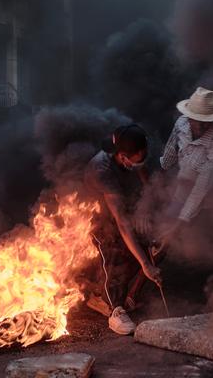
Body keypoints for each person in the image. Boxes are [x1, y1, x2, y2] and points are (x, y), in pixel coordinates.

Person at [84, 124, 162, 335]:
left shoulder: (134, 151)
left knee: (160, 240)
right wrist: (145, 264)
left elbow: (145, 180)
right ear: (122, 157)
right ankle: (114, 308)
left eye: (142, 159)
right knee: (113, 247)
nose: (140, 165)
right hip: (99, 217)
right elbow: (122, 223)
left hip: (127, 207)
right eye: (136, 162)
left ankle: (131, 296)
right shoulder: (102, 171)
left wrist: (145, 208)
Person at [156, 87, 213, 279]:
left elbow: (201, 189)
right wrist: (158, 180)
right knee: (164, 231)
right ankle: (141, 284)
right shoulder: (181, 124)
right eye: (198, 121)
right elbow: (170, 152)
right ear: (189, 116)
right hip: (188, 181)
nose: (202, 127)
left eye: (207, 122)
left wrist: (179, 225)